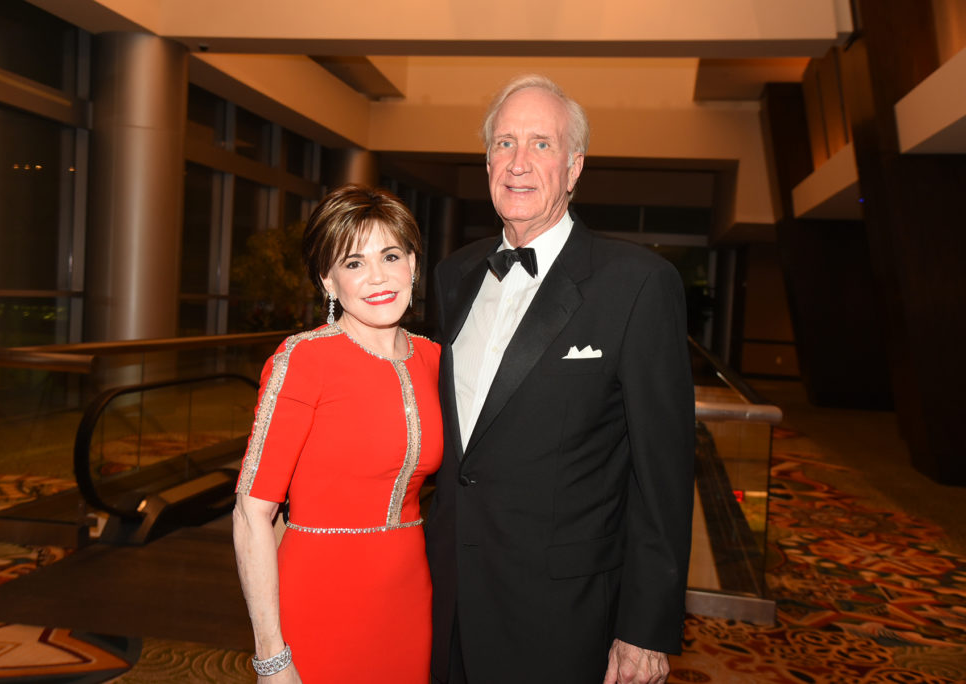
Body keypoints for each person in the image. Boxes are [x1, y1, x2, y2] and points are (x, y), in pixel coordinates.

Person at [426, 75, 695, 683]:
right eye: (504, 143)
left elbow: (664, 473)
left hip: (560, 613)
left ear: (574, 168)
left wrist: (644, 627)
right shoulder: (454, 276)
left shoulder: (637, 285)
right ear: (486, 162)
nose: (518, 162)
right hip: (447, 594)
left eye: (541, 144)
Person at [233, 184, 442, 683]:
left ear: (413, 264)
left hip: (410, 598)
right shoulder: (303, 360)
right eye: (353, 263)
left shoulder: (435, 360)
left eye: (390, 256)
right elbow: (251, 513)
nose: (378, 277)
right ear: (328, 280)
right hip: (318, 598)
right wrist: (271, 656)